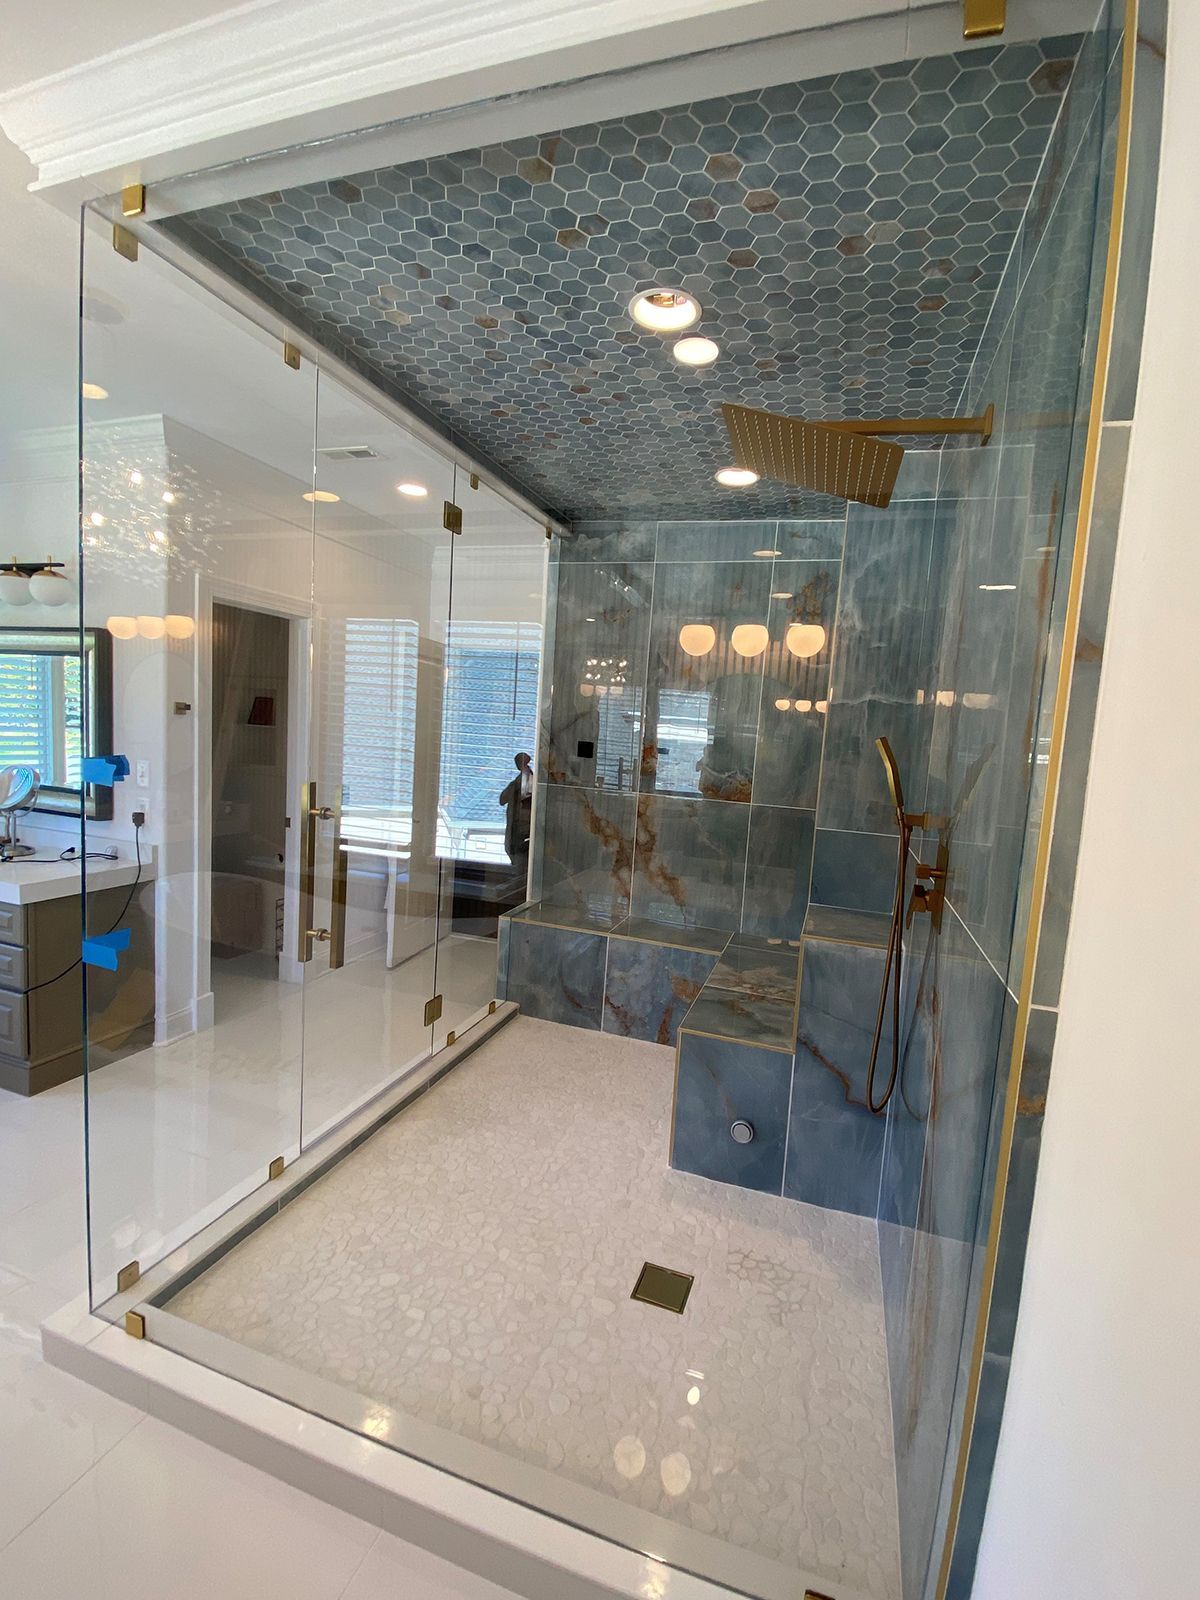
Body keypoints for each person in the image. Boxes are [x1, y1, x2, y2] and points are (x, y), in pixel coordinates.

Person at [499, 751, 533, 875]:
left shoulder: (528, 781)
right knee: (511, 850)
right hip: (516, 828)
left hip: (522, 830)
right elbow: (502, 799)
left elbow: (527, 807)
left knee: (518, 858)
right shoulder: (517, 783)